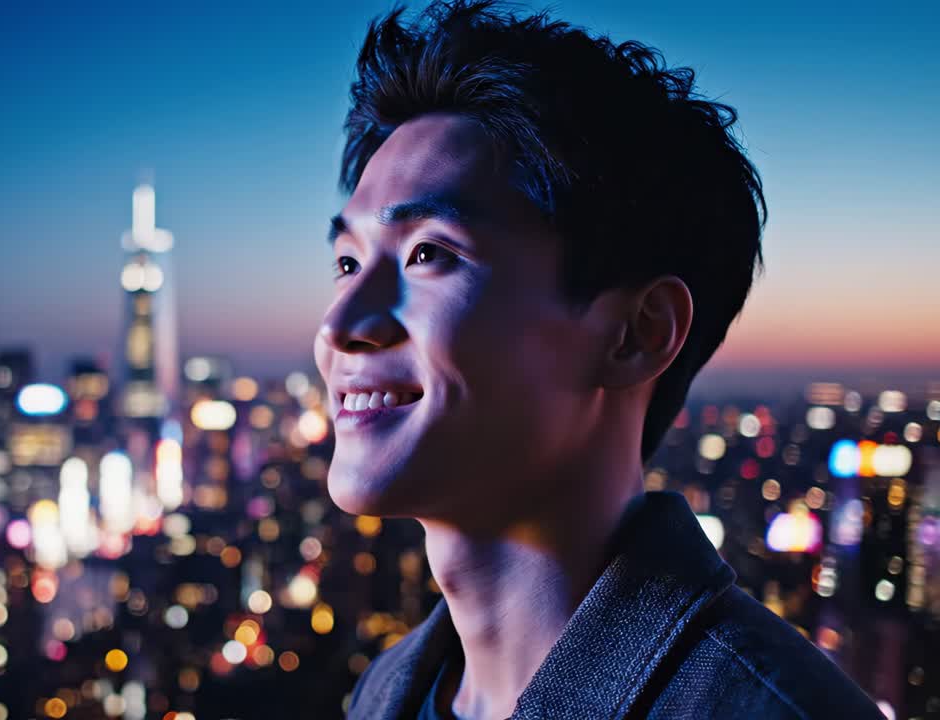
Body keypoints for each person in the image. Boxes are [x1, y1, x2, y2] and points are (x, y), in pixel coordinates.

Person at [314, 2, 884, 718]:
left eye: (429, 253)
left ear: (637, 334)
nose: (341, 325)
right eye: (346, 261)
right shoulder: (384, 693)